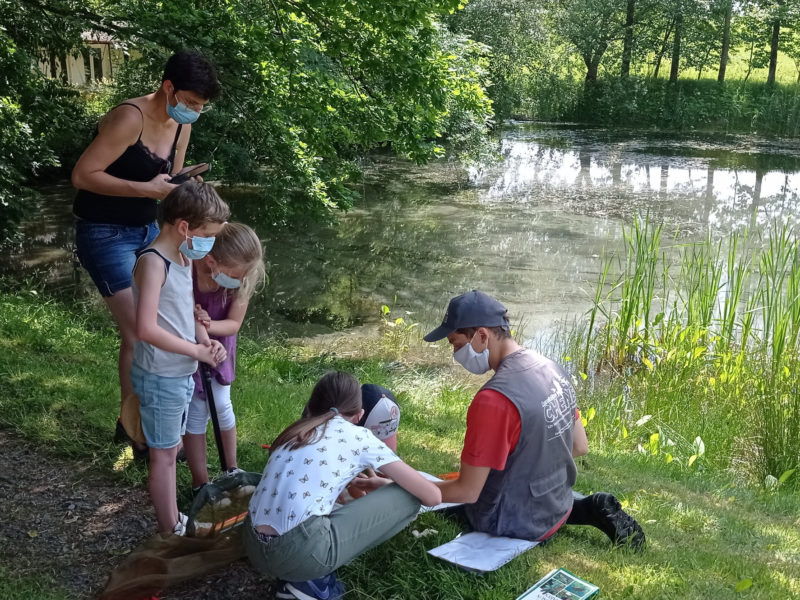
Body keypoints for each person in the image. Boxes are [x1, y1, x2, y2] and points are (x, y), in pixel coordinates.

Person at [71, 50, 220, 453]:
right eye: (191, 102)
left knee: (149, 326)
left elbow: (169, 184)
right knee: (139, 331)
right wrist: (146, 189)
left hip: (150, 230)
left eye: (201, 106)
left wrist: (185, 191)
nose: (194, 112)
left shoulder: (182, 125)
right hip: (104, 232)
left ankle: (134, 424)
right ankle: (141, 433)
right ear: (168, 87)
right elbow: (82, 176)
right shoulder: (130, 118)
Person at [422, 290, 645, 550]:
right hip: (558, 500)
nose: (455, 354)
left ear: (482, 336)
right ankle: (584, 508)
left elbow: (467, 492)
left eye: (456, 344)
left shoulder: (493, 400)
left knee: (445, 500)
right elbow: (580, 445)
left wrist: (409, 487)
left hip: (516, 520)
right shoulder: (551, 368)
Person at [244, 371, 441, 600]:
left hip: (253, 546)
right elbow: (433, 496)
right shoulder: (360, 436)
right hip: (301, 552)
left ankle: (298, 577)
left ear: (309, 407)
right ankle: (309, 581)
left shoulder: (294, 433)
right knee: (409, 495)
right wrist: (386, 484)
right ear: (359, 416)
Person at [130, 181, 230, 535]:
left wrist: (206, 340)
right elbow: (145, 328)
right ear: (184, 227)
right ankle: (169, 527)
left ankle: (173, 519)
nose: (210, 243)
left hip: (179, 372)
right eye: (208, 235)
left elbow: (184, 310)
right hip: (160, 375)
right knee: (164, 455)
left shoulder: (184, 257)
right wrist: (195, 351)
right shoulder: (153, 263)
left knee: (171, 450)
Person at [184, 222, 266, 494]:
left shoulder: (243, 278)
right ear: (211, 261)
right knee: (196, 411)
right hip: (189, 346)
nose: (239, 280)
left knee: (221, 404)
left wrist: (209, 326)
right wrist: (200, 330)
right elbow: (181, 313)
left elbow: (233, 324)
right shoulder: (186, 268)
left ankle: (232, 469)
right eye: (234, 275)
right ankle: (200, 482)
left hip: (221, 348)